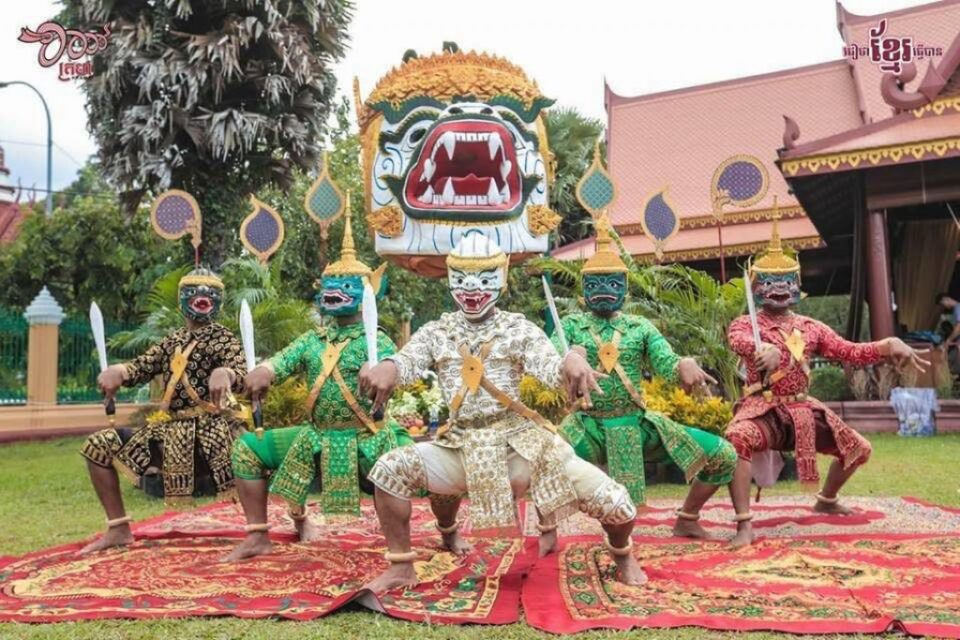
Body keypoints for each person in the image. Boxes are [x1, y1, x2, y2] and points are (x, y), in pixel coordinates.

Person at [359, 232, 645, 593]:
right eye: (462, 279)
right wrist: (388, 365)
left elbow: (549, 363)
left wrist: (571, 362)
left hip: (523, 448)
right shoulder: (437, 331)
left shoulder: (518, 328)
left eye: (484, 278)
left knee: (619, 507)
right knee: (388, 471)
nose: (472, 288)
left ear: (502, 278)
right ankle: (402, 566)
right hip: (462, 446)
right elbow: (408, 360)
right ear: (449, 280)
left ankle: (623, 553)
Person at [715, 221, 927, 547]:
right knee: (736, 440)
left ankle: (826, 498)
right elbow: (739, 341)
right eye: (770, 281)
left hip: (802, 409)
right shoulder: (747, 324)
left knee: (858, 448)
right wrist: (763, 351)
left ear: (797, 285)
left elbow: (849, 351)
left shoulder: (811, 327)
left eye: (787, 281)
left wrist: (887, 344)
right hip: (764, 409)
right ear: (757, 287)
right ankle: (744, 524)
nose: (779, 287)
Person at [545, 215, 737, 554]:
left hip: (637, 424)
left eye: (613, 282)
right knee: (543, 461)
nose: (605, 289)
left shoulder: (640, 327)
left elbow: (665, 362)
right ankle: (548, 528)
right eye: (596, 283)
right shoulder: (571, 325)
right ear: (583, 290)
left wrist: (684, 364)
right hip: (587, 425)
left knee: (723, 454)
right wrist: (569, 357)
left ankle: (688, 517)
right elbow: (550, 359)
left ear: (626, 286)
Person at [223, 220, 413, 561]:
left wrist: (380, 368)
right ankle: (257, 536)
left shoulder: (377, 339)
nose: (334, 289)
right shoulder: (312, 340)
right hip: (316, 436)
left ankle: (447, 531)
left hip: (370, 437)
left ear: (368, 290)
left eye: (345, 284)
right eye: (329, 283)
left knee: (431, 468)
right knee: (247, 449)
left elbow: (391, 364)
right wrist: (263, 370)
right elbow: (281, 361)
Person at [80, 267, 247, 554]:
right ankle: (119, 528)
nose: (202, 297)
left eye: (210, 293)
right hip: (170, 433)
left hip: (216, 431)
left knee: (258, 452)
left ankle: (270, 527)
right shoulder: (172, 341)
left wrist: (226, 373)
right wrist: (118, 371)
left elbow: (242, 373)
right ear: (182, 298)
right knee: (98, 446)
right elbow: (140, 367)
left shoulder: (224, 339)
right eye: (194, 292)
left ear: (219, 301)